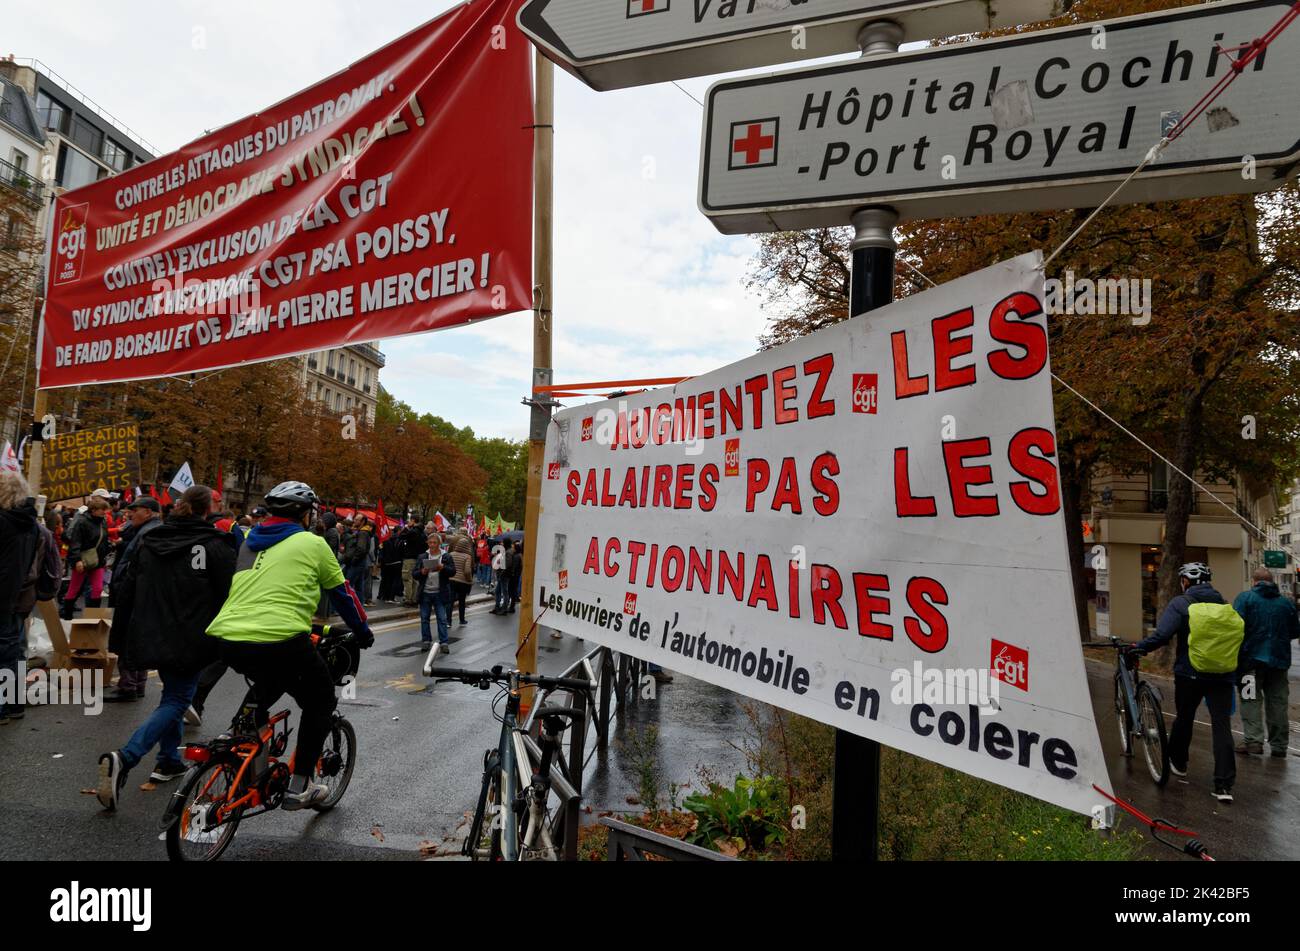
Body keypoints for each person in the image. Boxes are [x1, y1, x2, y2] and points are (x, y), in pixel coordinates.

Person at [205, 481, 374, 809]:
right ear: (305, 514)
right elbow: (343, 593)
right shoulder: (312, 543)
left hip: (227, 636)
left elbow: (256, 592)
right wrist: (363, 632)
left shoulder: (249, 543)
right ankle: (300, 786)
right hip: (280, 637)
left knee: (271, 678)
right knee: (321, 700)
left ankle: (237, 732)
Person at [95, 486, 239, 808]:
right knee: (177, 699)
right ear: (207, 510)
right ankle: (126, 757)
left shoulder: (151, 540)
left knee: (171, 694)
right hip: (191, 634)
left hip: (152, 630)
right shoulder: (214, 544)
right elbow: (231, 592)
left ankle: (168, 761)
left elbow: (126, 585)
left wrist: (124, 633)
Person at [1134, 562, 1240, 802]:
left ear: (1186, 581)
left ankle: (1179, 763)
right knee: (1222, 726)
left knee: (1184, 717)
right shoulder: (1225, 606)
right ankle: (1223, 786)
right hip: (1222, 675)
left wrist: (1139, 648)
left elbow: (1162, 635)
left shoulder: (1182, 603)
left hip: (1190, 673)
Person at [1232, 567, 1299, 757]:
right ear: (1272, 582)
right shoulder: (1286, 603)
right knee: (1278, 703)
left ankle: (1253, 741)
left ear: (1254, 582)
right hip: (1279, 662)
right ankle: (1279, 746)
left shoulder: (1244, 599)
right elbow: (1295, 631)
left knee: (1250, 700)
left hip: (1249, 663)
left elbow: (1235, 627)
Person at [104, 496, 165, 703]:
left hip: (134, 595)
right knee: (136, 638)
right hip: (140, 595)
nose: (130, 513)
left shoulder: (148, 532)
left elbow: (138, 567)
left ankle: (128, 686)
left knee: (128, 639)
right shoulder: (148, 530)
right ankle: (137, 683)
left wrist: (123, 587)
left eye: (135, 510)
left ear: (148, 512)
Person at [0, 472, 42, 724]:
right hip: (16, 595)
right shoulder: (30, 525)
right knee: (12, 652)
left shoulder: (4, 522)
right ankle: (13, 704)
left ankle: (3, 708)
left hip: (5, 596)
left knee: (5, 654)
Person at [60, 495, 112, 620]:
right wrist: (77, 560)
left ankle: (92, 620)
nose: (105, 512)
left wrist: (106, 554)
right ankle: (67, 616)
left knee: (98, 589)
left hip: (98, 561)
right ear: (93, 510)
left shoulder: (103, 522)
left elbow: (104, 540)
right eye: (102, 509)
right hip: (83, 560)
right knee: (74, 589)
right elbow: (75, 542)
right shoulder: (82, 522)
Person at [414, 533, 453, 650]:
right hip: (425, 592)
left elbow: (453, 571)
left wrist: (443, 568)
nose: (432, 545)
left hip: (439, 593)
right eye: (430, 542)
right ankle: (426, 640)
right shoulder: (422, 557)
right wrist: (422, 572)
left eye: (434, 543)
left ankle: (444, 642)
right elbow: (414, 574)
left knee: (442, 618)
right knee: (424, 618)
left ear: (439, 544)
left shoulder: (446, 557)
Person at [448, 531, 475, 624]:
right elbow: (467, 571)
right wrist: (470, 580)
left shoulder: (451, 554)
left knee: (450, 601)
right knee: (462, 601)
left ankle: (448, 621)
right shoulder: (468, 556)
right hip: (462, 581)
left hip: (451, 580)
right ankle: (462, 620)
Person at [399, 522, 424, 605]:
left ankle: (407, 599)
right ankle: (414, 599)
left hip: (409, 558)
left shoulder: (412, 532)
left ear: (413, 521)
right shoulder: (423, 534)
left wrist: (406, 528)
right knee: (415, 580)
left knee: (407, 578)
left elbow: (401, 536)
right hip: (418, 559)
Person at [380, 531, 403, 602]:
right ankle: (391, 597)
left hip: (387, 563)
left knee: (388, 580)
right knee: (395, 581)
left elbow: (382, 552)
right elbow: (401, 552)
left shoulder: (385, 541)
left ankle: (385, 597)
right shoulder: (400, 541)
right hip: (397, 562)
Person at [491, 539, 509, 614]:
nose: (501, 545)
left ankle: (504, 608)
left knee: (504, 592)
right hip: (501, 575)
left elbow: (507, 565)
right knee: (498, 591)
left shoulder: (507, 553)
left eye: (502, 544)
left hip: (504, 575)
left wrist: (499, 562)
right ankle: (497, 606)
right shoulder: (502, 553)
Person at [506, 540, 524, 614]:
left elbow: (514, 567)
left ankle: (511, 607)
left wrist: (511, 574)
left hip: (514, 576)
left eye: (514, 547)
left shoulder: (516, 556)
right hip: (517, 575)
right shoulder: (520, 555)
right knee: (513, 591)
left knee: (511, 591)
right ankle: (511, 606)